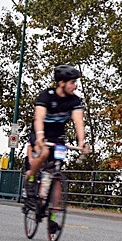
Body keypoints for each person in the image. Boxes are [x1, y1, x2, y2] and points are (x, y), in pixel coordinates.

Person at [23, 65, 90, 229]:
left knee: (57, 176)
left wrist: (82, 142)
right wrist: (39, 136)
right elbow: (38, 118)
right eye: (72, 82)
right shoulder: (46, 96)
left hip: (58, 138)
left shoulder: (74, 101)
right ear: (61, 83)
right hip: (41, 134)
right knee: (44, 152)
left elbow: (78, 122)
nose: (75, 86)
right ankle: (31, 179)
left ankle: (52, 216)